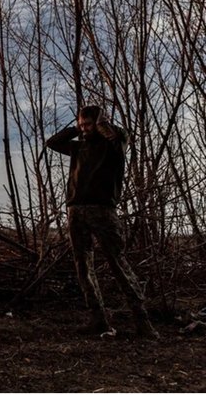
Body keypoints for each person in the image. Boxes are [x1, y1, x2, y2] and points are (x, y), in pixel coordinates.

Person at [46, 105, 159, 339]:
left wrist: (101, 124)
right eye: (82, 125)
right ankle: (97, 318)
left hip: (103, 210)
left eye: (88, 124)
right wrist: (75, 129)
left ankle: (142, 320)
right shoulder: (78, 146)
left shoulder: (115, 142)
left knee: (117, 262)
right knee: (83, 265)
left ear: (99, 122)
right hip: (76, 210)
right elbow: (52, 142)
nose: (85, 129)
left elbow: (117, 137)